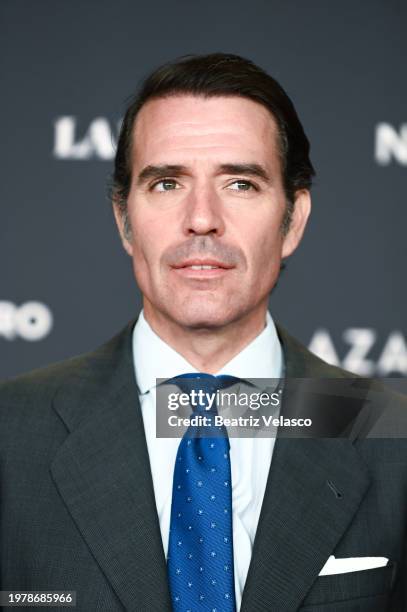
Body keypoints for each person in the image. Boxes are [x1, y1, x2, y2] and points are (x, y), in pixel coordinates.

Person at [1, 53, 406, 612]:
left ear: (293, 221)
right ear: (124, 220)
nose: (201, 218)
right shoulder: (9, 433)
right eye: (167, 183)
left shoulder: (393, 438)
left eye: (240, 183)